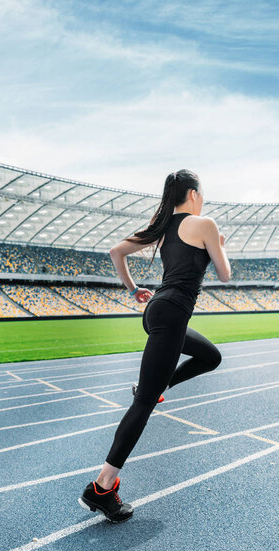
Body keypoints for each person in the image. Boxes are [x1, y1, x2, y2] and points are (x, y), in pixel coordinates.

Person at [78, 169, 231, 523]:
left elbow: (116, 252)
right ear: (193, 194)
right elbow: (225, 275)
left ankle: (161, 385)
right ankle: (102, 488)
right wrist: (219, 245)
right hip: (172, 314)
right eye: (202, 194)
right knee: (143, 404)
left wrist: (133, 290)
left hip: (156, 310)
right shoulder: (203, 223)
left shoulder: (162, 227)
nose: (203, 199)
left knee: (210, 356)